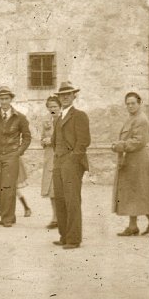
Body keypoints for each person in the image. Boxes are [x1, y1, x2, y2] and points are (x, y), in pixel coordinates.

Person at [111, 92, 149, 236]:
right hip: (132, 160)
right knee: (133, 192)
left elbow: (139, 141)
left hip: (138, 161)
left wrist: (120, 146)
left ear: (140, 103)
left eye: (133, 103)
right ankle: (142, 223)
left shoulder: (141, 119)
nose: (130, 106)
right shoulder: (133, 118)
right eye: (128, 103)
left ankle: (139, 224)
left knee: (136, 192)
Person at [0, 86, 32, 228]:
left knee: (8, 187)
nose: (4, 101)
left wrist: (18, 152)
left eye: (6, 98)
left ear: (11, 99)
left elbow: (27, 137)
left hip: (11, 155)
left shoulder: (20, 117)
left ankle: (7, 218)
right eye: (1, 99)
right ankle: (5, 214)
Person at [51, 81, 91, 249]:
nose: (65, 97)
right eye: (62, 95)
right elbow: (55, 141)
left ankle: (74, 239)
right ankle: (64, 235)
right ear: (59, 98)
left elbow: (84, 141)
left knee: (72, 200)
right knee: (60, 199)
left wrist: (72, 159)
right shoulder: (59, 117)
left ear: (74, 96)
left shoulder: (79, 115)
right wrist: (58, 159)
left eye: (69, 94)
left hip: (72, 163)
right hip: (58, 162)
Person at [41, 95, 61, 229]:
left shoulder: (63, 119)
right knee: (51, 189)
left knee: (60, 188)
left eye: (55, 106)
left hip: (60, 156)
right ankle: (55, 217)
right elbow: (42, 137)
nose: (52, 109)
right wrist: (44, 141)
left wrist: (52, 141)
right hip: (49, 157)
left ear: (60, 107)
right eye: (50, 107)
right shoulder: (46, 121)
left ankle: (62, 217)